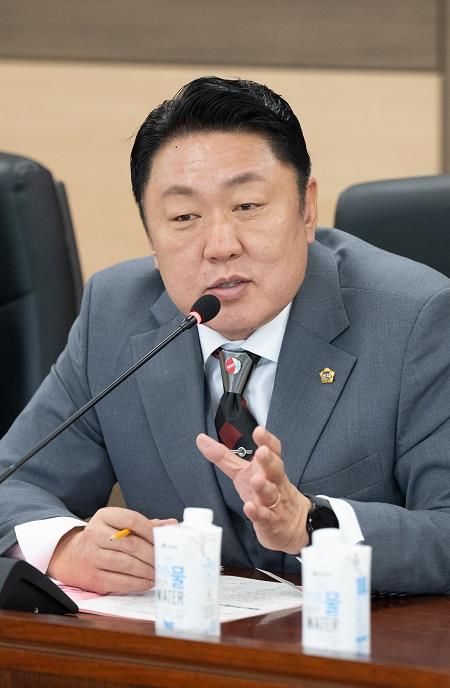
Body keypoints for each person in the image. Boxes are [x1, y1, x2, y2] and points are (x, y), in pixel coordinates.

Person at [0, 76, 449, 595]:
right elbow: (14, 481)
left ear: (306, 209)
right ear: (150, 235)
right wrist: (66, 546)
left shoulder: (415, 319)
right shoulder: (116, 314)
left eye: (248, 206)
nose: (220, 246)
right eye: (184, 216)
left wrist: (312, 524)